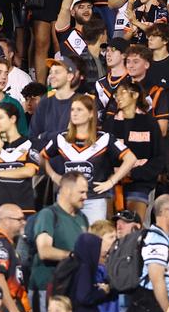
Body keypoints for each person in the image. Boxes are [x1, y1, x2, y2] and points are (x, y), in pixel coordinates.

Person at [41, 94, 137, 223]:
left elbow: (130, 158)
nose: (74, 113)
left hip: (94, 200)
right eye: (72, 109)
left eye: (79, 110)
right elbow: (42, 157)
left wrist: (111, 182)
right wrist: (54, 176)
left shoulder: (104, 138)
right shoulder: (61, 138)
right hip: (67, 199)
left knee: (94, 239)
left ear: (91, 114)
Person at [120, 194, 169, 312]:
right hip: (152, 304)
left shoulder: (165, 238)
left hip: (156, 303)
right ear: (165, 212)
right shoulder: (157, 241)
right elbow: (157, 280)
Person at [30, 172, 89, 312]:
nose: (86, 197)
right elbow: (44, 250)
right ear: (66, 191)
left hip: (71, 290)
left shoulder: (82, 218)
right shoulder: (48, 215)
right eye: (81, 192)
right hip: (47, 288)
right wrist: (72, 255)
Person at [103, 79, 164, 218]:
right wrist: (115, 173)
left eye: (122, 93)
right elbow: (102, 155)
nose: (118, 97)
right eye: (116, 95)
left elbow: (159, 159)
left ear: (135, 95)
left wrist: (133, 174)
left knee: (134, 222)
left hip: (141, 183)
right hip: (112, 181)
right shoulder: (110, 123)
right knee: (106, 219)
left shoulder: (150, 123)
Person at [0, 102, 39, 230]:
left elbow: (29, 171)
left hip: (22, 207)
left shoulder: (30, 143)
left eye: (0, 117)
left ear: (13, 119)